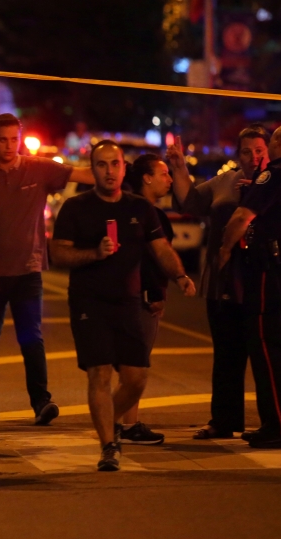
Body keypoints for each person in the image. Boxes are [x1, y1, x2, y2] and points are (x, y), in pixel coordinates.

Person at [50, 140, 195, 472]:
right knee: (99, 373)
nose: (109, 171)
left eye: (114, 164)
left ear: (123, 168)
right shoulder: (75, 207)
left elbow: (160, 248)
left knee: (136, 378)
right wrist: (94, 254)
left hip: (128, 303)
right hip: (89, 302)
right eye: (101, 165)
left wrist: (180, 275)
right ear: (93, 169)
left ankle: (107, 420)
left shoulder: (140, 209)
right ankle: (108, 445)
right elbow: (58, 254)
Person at [0, 114, 94, 424]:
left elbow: (83, 174)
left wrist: (112, 164)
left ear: (20, 139)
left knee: (31, 335)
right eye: (2, 140)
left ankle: (41, 401)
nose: (9, 145)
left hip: (29, 269)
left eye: (13, 139)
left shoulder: (39, 169)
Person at [218, 123, 281, 450]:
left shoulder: (275, 175)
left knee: (267, 346)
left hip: (274, 270)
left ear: (277, 142)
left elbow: (240, 218)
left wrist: (222, 251)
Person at [167, 126, 270, 440]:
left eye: (259, 151)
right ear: (237, 155)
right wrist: (179, 166)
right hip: (223, 281)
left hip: (263, 283)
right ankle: (224, 420)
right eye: (246, 152)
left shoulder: (279, 181)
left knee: (267, 357)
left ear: (268, 152)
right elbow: (189, 201)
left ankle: (275, 424)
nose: (253, 158)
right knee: (226, 354)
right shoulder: (225, 182)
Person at [119, 154, 176, 445]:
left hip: (128, 297)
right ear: (147, 178)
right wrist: (155, 293)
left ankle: (124, 423)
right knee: (135, 365)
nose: (169, 180)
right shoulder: (146, 214)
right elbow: (151, 260)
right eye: (164, 174)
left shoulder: (132, 209)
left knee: (129, 364)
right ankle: (127, 425)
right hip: (138, 299)